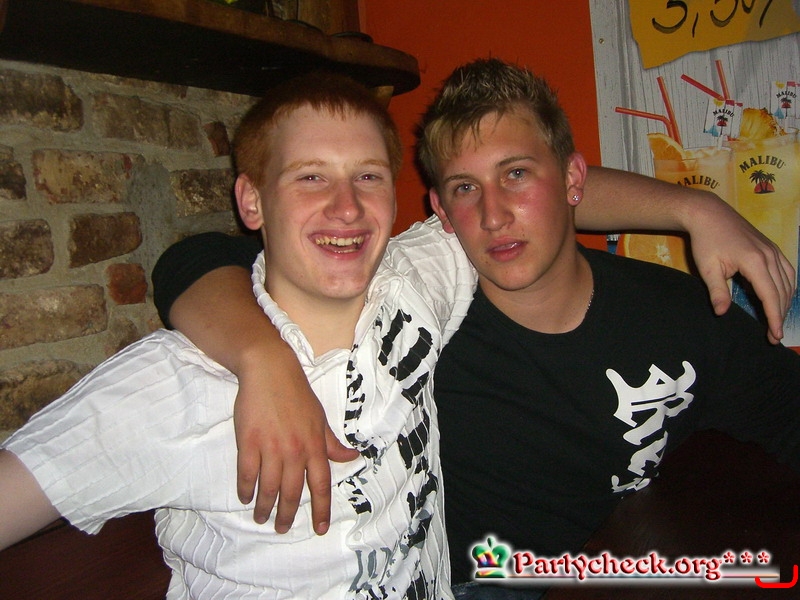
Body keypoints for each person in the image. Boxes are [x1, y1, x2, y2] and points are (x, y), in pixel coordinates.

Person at [152, 60, 799, 597]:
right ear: (440, 209)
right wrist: (261, 358)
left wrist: (696, 207)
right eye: (465, 188)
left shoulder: (679, 313)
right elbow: (197, 259)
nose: (494, 215)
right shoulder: (413, 306)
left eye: (516, 174)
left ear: (573, 179)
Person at [0, 72, 473, 599]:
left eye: (368, 176)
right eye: (310, 177)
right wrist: (261, 359)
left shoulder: (414, 285)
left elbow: (508, 213)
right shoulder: (176, 383)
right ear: (252, 202)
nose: (347, 207)